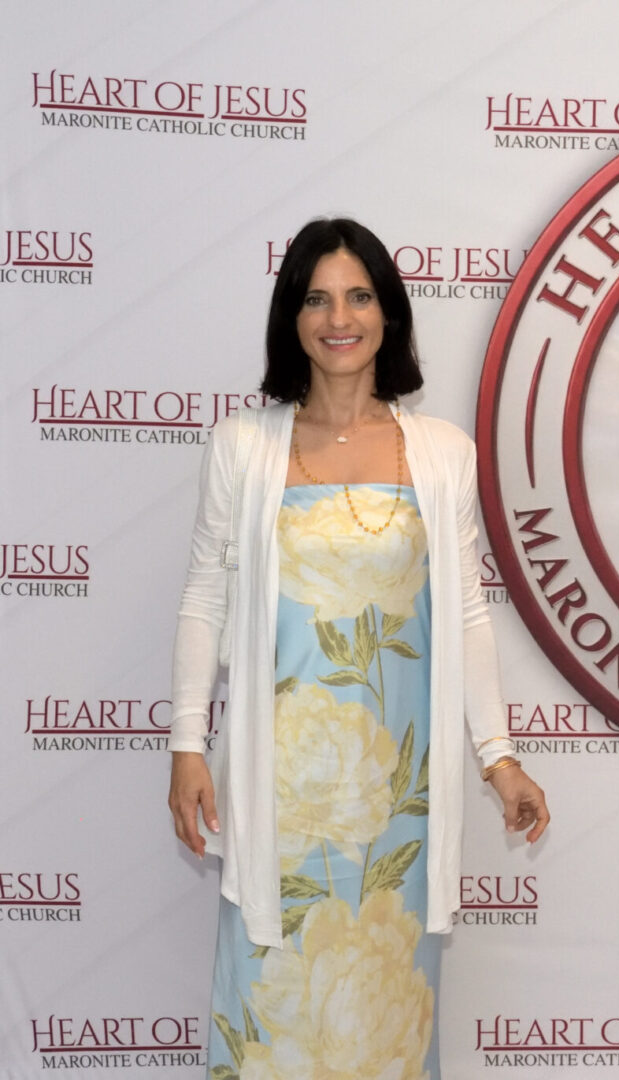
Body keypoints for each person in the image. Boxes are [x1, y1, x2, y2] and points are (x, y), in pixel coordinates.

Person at [167, 216, 547, 1078]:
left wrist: (499, 759)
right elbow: (204, 597)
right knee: (274, 1008)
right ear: (291, 318)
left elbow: (467, 614)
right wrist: (188, 745)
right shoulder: (242, 447)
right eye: (317, 299)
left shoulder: (443, 454)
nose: (339, 318)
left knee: (383, 1010)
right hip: (277, 793)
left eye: (359, 297)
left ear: (389, 314)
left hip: (395, 799)